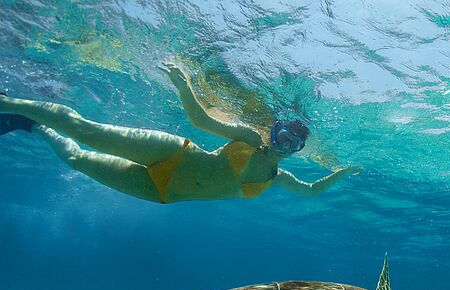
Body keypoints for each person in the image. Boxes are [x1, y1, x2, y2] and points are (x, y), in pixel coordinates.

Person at [0, 62, 360, 203]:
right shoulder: (250, 140)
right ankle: (8, 102)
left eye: (295, 146)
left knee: (77, 159)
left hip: (161, 191)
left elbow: (312, 190)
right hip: (172, 154)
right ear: (273, 132)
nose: (287, 147)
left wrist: (339, 174)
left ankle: (32, 125)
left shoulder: (277, 177)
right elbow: (203, 122)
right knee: (87, 131)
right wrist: (182, 83)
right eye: (284, 138)